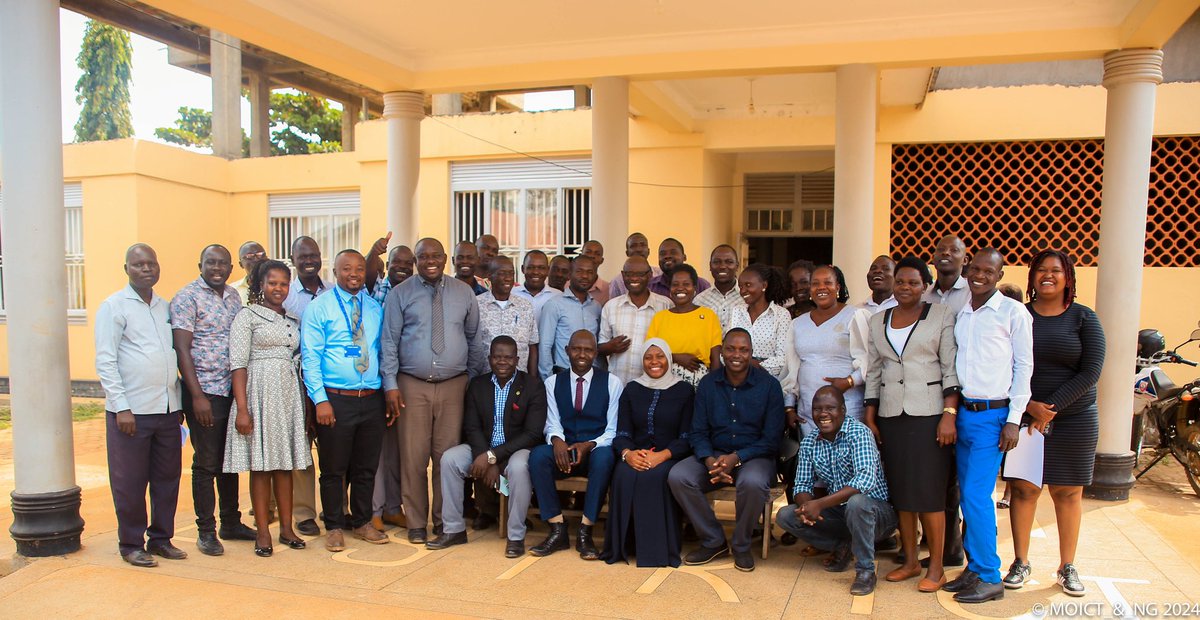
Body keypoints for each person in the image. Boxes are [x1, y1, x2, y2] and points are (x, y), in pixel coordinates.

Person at [1003, 250, 1105, 597]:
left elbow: (1091, 371)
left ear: (1068, 278)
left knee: (1067, 492)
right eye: (1041, 270)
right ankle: (1020, 561)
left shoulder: (1083, 318)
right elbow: (1004, 365)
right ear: (1031, 277)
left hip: (1075, 418)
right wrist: (1029, 407)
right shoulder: (1018, 315)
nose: (1048, 275)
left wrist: (1053, 407)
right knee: (1024, 489)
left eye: (1055, 271)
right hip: (1026, 418)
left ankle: (1067, 566)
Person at [862, 256, 960, 592]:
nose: (906, 288)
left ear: (925, 286)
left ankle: (936, 566)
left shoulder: (940, 315)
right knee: (902, 491)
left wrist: (949, 414)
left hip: (931, 414)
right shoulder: (879, 321)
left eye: (913, 283)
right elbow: (874, 371)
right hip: (892, 416)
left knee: (930, 493)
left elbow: (950, 368)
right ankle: (910, 560)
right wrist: (871, 416)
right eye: (901, 282)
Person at [941, 248, 1033, 604]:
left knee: (978, 497)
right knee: (968, 495)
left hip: (994, 416)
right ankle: (975, 567)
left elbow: (1024, 368)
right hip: (963, 412)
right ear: (967, 270)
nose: (979, 275)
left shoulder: (1013, 313)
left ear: (999, 274)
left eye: (987, 271)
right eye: (974, 269)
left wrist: (1014, 419)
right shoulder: (962, 312)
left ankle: (991, 575)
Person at [381, 238, 480, 543]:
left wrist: (470, 381)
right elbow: (389, 341)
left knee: (446, 458)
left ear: (445, 258)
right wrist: (391, 385)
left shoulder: (464, 293)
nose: (430, 261)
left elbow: (474, 338)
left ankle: (442, 520)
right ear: (416, 260)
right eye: (424, 257)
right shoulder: (400, 294)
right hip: (412, 385)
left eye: (436, 256)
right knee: (413, 457)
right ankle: (415, 521)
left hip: (454, 386)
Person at [95, 244, 186, 568]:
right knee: (130, 482)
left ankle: (161, 539)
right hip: (131, 413)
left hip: (166, 409)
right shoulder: (114, 307)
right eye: (139, 264)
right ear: (127, 270)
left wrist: (178, 404)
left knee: (167, 478)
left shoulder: (166, 307)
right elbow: (106, 361)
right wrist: (121, 407)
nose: (146, 269)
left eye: (151, 263)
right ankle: (131, 543)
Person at [668, 328, 783, 572]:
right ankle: (714, 541)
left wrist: (736, 458)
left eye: (743, 350)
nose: (736, 355)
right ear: (722, 352)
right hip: (715, 453)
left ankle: (741, 546)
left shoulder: (769, 386)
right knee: (679, 476)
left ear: (752, 353)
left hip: (754, 456)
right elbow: (697, 431)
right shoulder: (708, 384)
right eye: (731, 349)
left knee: (752, 483)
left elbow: (771, 439)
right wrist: (709, 459)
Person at [301, 250, 390, 552]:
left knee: (366, 467)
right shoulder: (320, 307)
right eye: (347, 268)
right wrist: (320, 400)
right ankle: (335, 526)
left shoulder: (375, 307)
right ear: (335, 271)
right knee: (333, 469)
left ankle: (362, 522)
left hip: (371, 398)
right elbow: (311, 358)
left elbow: (379, 351)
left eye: (359, 269)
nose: (354, 274)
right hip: (336, 399)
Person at [427, 336, 548, 557]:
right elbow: (471, 427)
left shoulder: (533, 386)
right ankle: (453, 529)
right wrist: (485, 455)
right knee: (450, 460)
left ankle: (516, 536)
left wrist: (492, 457)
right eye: (497, 357)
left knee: (520, 469)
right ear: (490, 359)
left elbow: (532, 434)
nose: (503, 362)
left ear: (517, 359)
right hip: (483, 447)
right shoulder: (478, 385)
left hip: (516, 449)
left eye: (508, 357)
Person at [170, 244, 256, 556]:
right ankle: (206, 530)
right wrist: (196, 396)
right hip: (204, 392)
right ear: (200, 264)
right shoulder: (186, 297)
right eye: (211, 262)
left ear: (231, 268)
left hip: (231, 390)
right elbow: (181, 348)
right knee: (206, 463)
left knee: (229, 460)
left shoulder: (233, 296)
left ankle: (230, 522)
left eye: (222, 263)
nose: (217, 268)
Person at [223, 260, 313, 557]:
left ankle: (287, 529)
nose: (278, 288)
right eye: (273, 282)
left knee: (285, 466)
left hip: (287, 396)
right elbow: (238, 365)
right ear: (261, 285)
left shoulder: (292, 320)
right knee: (261, 467)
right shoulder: (246, 317)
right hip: (258, 395)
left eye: (284, 284)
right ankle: (263, 532)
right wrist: (243, 410)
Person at [776, 386, 897, 596]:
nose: (823, 414)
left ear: (843, 409)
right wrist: (806, 506)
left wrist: (820, 504)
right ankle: (846, 545)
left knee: (857, 502)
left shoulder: (859, 433)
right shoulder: (810, 442)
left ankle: (866, 571)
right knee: (786, 516)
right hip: (842, 513)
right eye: (817, 409)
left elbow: (865, 481)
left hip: (877, 514)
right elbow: (802, 485)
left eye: (830, 408)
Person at [528, 330, 622, 559]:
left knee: (605, 458)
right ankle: (557, 528)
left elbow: (612, 430)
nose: (582, 354)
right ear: (567, 351)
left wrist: (588, 445)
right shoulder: (552, 382)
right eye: (577, 349)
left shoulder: (612, 382)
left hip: (594, 450)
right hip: (565, 451)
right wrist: (558, 441)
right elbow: (552, 422)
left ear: (596, 353)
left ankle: (585, 530)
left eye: (588, 350)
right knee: (539, 456)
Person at [602, 338, 694, 567]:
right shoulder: (632, 389)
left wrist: (661, 455)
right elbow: (621, 431)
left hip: (670, 456)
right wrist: (628, 454)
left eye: (660, 356)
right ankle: (623, 547)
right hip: (635, 454)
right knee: (624, 474)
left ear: (669, 359)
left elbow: (687, 437)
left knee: (654, 476)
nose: (654, 362)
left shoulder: (684, 390)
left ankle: (654, 551)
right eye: (648, 357)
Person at [783, 264, 869, 436]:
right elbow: (791, 368)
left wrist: (849, 381)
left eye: (827, 282)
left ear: (837, 287)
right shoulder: (798, 324)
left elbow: (871, 360)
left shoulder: (855, 316)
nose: (821, 287)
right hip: (809, 414)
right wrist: (789, 406)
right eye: (815, 283)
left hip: (847, 409)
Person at [282, 235, 330, 537]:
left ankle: (334, 507)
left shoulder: (332, 292)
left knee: (332, 447)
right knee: (302, 445)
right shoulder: (285, 295)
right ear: (293, 259)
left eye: (314, 255)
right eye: (303, 256)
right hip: (294, 381)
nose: (309, 260)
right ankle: (304, 513)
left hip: (328, 380)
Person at [646, 263, 723, 387]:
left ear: (694, 287)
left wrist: (714, 386)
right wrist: (676, 357)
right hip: (665, 380)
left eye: (686, 284)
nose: (680, 288)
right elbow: (650, 353)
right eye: (675, 284)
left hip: (699, 379)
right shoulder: (660, 318)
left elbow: (715, 358)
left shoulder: (708, 315)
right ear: (669, 289)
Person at [598, 256, 672, 384]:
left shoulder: (665, 306)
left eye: (640, 274)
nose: (633, 278)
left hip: (654, 385)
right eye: (629, 274)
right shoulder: (611, 307)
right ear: (622, 275)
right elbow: (601, 346)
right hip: (618, 384)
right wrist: (610, 347)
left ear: (650, 275)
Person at [537, 256, 602, 379]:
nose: (585, 276)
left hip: (591, 377)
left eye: (590, 272)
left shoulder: (597, 307)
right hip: (562, 374)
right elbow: (545, 346)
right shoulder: (554, 304)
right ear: (570, 274)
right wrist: (548, 379)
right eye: (579, 271)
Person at [474, 255, 539, 378]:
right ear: (489, 276)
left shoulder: (525, 306)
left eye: (511, 273)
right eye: (502, 273)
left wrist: (532, 380)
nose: (508, 278)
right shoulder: (476, 305)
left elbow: (532, 344)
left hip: (519, 380)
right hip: (484, 380)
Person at [727, 263, 792, 381]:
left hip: (767, 381)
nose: (743, 291)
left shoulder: (781, 315)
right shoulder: (736, 311)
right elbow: (726, 349)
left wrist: (751, 364)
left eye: (748, 285)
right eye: (741, 286)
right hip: (736, 379)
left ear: (764, 285)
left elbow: (783, 358)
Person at [694, 244, 746, 331]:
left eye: (729, 262)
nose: (722, 266)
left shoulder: (747, 298)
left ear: (737, 266)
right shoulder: (699, 301)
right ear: (710, 266)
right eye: (717, 262)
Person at [923, 235, 971, 313]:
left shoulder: (971, 295)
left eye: (954, 250)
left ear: (965, 260)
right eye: (941, 249)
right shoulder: (924, 295)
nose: (946, 253)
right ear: (933, 258)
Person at [364, 234, 415, 304]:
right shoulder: (377, 287)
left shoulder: (417, 293)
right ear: (387, 265)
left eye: (408, 263)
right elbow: (367, 274)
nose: (403, 266)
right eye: (397, 261)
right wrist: (374, 251)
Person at [609, 232, 661, 299]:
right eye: (633, 246)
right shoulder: (617, 282)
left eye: (642, 245)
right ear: (627, 253)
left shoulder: (660, 275)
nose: (639, 249)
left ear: (648, 251)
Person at [513, 250, 556, 323]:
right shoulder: (511, 294)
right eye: (530, 267)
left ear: (548, 270)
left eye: (541, 268)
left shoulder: (557, 296)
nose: (535, 272)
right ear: (523, 269)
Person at [230, 241, 268, 305]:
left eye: (260, 255)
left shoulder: (278, 287)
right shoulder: (232, 291)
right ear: (241, 264)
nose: (256, 259)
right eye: (249, 256)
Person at [580, 240, 610, 306]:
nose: (592, 256)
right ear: (580, 255)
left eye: (597, 254)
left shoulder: (608, 289)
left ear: (602, 260)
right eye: (588, 252)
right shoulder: (567, 285)